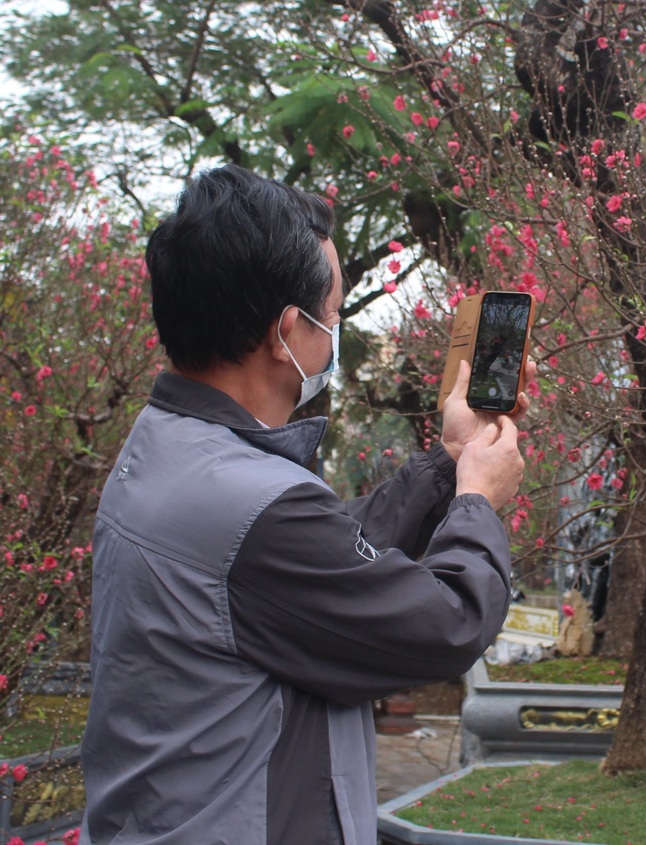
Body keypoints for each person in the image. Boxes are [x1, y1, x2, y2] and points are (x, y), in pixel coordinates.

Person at [79, 165, 529, 845]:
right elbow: (446, 623)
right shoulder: (249, 505)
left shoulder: (171, 450)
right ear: (288, 331)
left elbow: (325, 558)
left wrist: (447, 461)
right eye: (334, 315)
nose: (333, 334)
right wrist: (478, 499)